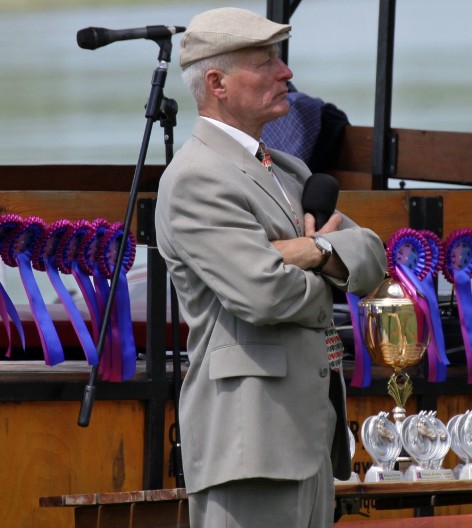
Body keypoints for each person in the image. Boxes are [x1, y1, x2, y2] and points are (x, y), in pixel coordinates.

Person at [154, 7, 387, 527]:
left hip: (307, 439)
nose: (286, 73)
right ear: (217, 82)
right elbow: (265, 294)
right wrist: (329, 270)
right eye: (266, 62)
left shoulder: (288, 169)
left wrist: (314, 253)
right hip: (250, 446)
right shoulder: (197, 177)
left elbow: (372, 255)